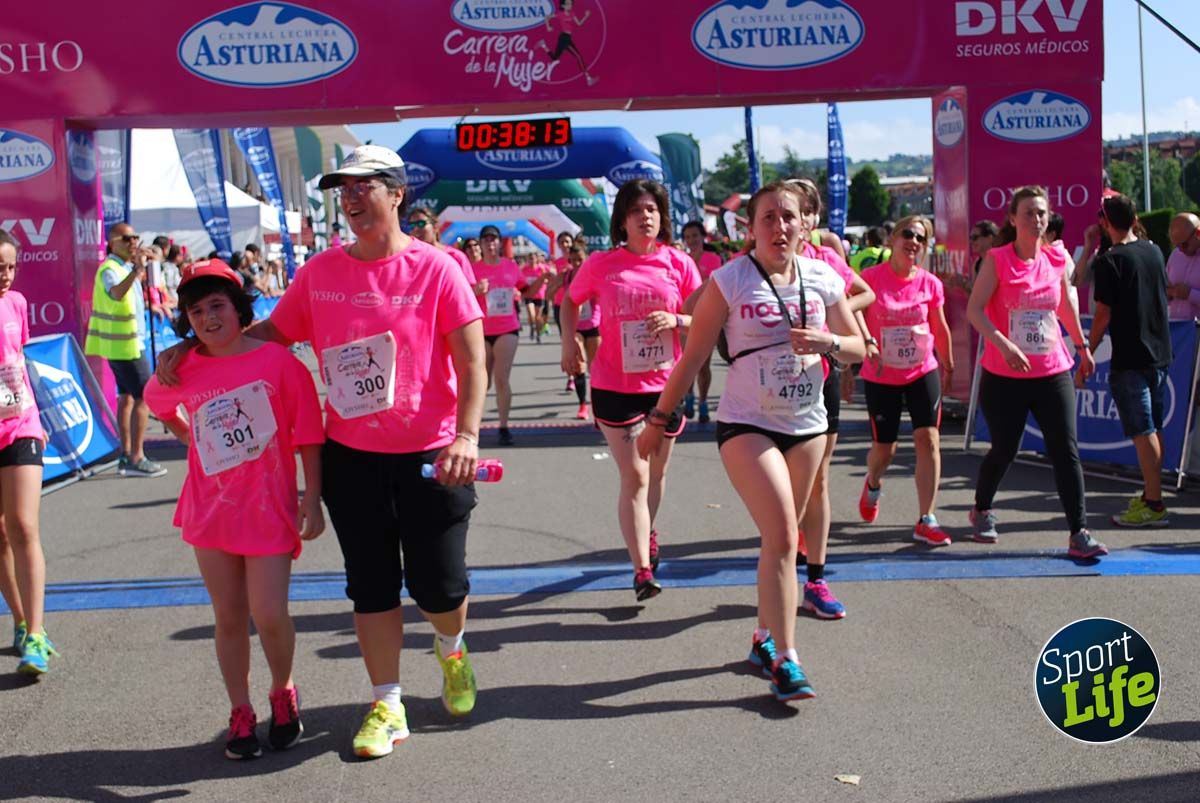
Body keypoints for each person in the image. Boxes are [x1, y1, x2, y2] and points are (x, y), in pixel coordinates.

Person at [157, 144, 487, 760]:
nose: (353, 198)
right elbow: (266, 335)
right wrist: (197, 349)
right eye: (345, 190)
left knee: (440, 589)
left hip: (432, 452)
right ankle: (387, 701)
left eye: (366, 186)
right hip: (352, 456)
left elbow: (472, 361)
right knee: (372, 585)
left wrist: (466, 436)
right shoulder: (320, 274)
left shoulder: (437, 268)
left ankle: (452, 647)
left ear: (396, 194)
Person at [636, 181, 865, 700]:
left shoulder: (824, 277)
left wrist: (827, 341)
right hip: (746, 424)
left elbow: (857, 350)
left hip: (806, 423)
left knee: (777, 540)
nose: (779, 227)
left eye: (788, 217)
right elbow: (692, 356)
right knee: (784, 535)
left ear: (804, 224)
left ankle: (763, 636)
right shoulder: (731, 280)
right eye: (768, 218)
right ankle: (788, 658)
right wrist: (658, 419)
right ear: (751, 227)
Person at [144, 259, 325, 759]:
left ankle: (282, 691)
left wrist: (312, 498)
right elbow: (157, 401)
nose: (208, 317)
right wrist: (187, 436)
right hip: (210, 511)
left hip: (269, 509)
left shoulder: (278, 363)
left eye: (217, 305)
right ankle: (240, 710)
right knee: (228, 616)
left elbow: (309, 432)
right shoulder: (183, 366)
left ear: (239, 307)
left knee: (268, 613)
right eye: (196, 310)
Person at [561, 179, 701, 600]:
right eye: (638, 210)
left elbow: (704, 318)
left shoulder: (679, 263)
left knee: (656, 474)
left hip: (666, 385)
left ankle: (647, 533)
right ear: (622, 220)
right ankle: (642, 569)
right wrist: (570, 343)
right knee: (635, 475)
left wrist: (677, 321)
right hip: (614, 385)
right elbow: (570, 301)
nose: (647, 217)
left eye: (653, 210)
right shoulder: (603, 264)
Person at [966, 186, 1104, 558]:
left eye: (1041, 213)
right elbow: (975, 311)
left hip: (1051, 369)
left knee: (1065, 450)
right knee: (1005, 449)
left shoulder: (1056, 259)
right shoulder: (997, 259)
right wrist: (1005, 345)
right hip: (1004, 374)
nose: (1036, 219)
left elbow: (1064, 307)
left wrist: (1082, 346)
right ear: (1013, 219)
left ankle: (1079, 532)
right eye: (1028, 212)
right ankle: (981, 509)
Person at [788, 178, 874, 618]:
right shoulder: (755, 263)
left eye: (798, 210)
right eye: (781, 210)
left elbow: (863, 296)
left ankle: (816, 579)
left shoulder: (825, 262)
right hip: (767, 393)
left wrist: (839, 337)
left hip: (818, 380)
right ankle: (785, 559)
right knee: (783, 489)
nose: (790, 219)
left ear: (812, 219)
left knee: (818, 477)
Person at [859, 216, 955, 545]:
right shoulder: (870, 279)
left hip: (922, 370)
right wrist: (861, 348)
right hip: (882, 374)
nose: (915, 241)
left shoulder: (930, 283)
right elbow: (853, 312)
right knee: (884, 451)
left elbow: (939, 326)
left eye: (922, 238)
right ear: (893, 239)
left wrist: (948, 361)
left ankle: (926, 517)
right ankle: (872, 482)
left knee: (928, 440)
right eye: (909, 234)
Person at [1088, 193, 1173, 528]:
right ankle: (1152, 495)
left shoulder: (1110, 260)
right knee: (1154, 430)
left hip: (1132, 356)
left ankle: (1153, 503)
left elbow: (1102, 314)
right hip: (1159, 353)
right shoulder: (1154, 250)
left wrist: (1086, 352)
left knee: (1143, 431)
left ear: (1105, 221)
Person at [0, 229, 54, 676]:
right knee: (0, 535)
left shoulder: (16, 303)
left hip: (22, 425)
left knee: (22, 525)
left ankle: (36, 634)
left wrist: (37, 415)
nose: (5, 276)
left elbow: (17, 362)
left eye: (11, 267)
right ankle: (19, 622)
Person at [83, 222, 167, 478]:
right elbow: (117, 294)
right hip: (125, 346)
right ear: (112, 242)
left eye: (136, 238)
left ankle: (127, 453)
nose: (133, 243)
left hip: (127, 343)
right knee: (144, 397)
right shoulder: (110, 269)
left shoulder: (122, 267)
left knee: (127, 397)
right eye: (127, 238)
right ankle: (136, 457)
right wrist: (138, 270)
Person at [473, 225, 528, 446]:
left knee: (501, 379)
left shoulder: (511, 266)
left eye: (494, 239)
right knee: (480, 381)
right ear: (481, 244)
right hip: (481, 330)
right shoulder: (473, 269)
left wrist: (542, 282)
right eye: (485, 239)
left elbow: (526, 290)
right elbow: (460, 296)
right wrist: (475, 291)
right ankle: (472, 427)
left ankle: (504, 427)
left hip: (507, 328)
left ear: (499, 242)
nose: (490, 243)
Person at [546, 243, 598, 419]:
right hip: (576, 327)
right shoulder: (566, 275)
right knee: (578, 365)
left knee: (596, 368)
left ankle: (598, 405)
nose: (576, 264)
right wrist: (555, 287)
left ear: (587, 258)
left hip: (594, 325)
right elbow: (548, 294)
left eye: (580, 260)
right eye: (573, 260)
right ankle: (583, 405)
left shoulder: (594, 274)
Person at [681, 221, 723, 423]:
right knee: (686, 362)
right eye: (687, 237)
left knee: (703, 365)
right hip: (684, 319)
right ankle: (689, 397)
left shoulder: (713, 259)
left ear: (703, 237)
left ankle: (704, 402)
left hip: (707, 319)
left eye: (695, 236)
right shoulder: (682, 260)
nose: (691, 241)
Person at [407, 207, 477, 290]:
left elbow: (467, 291)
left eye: (421, 224)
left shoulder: (456, 257)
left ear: (435, 226)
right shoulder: (409, 260)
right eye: (412, 225)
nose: (416, 229)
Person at [538, 0, 598, 86]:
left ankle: (543, 45)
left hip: (567, 38)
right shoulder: (560, 14)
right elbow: (547, 17)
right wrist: (548, 27)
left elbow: (579, 24)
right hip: (564, 38)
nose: (570, 5)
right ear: (563, 6)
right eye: (568, 4)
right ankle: (588, 79)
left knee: (555, 58)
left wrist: (586, 16)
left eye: (571, 3)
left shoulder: (572, 14)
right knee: (578, 56)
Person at [1166, 212, 1200, 320]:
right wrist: (1167, 293)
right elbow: (1165, 287)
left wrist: (1190, 294)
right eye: (1176, 245)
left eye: (1184, 244)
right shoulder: (1175, 255)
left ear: (1198, 233)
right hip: (1177, 328)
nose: (1180, 250)